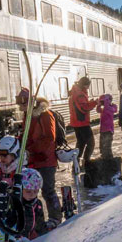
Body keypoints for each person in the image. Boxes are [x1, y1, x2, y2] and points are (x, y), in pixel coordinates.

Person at [17, 88, 62, 228]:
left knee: (48, 189)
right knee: (30, 192)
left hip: (46, 159)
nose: (21, 107)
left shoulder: (45, 115)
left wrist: (33, 149)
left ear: (31, 102)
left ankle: (56, 217)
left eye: (23, 103)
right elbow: (26, 135)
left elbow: (50, 138)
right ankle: (35, 220)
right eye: (19, 104)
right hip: (33, 159)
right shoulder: (28, 116)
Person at [68, 77, 98, 167]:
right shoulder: (80, 94)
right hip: (82, 123)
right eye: (88, 85)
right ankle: (86, 162)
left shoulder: (76, 92)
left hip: (77, 122)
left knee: (80, 143)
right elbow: (84, 108)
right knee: (91, 143)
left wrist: (90, 102)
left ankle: (76, 164)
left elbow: (81, 105)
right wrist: (94, 103)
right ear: (85, 85)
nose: (88, 87)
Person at [96, 94, 117, 159]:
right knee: (102, 145)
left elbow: (113, 109)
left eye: (103, 101)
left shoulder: (111, 108)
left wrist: (106, 102)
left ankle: (109, 159)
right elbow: (98, 110)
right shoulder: (104, 108)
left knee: (107, 146)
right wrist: (99, 104)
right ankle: (103, 156)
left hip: (108, 130)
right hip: (102, 130)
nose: (102, 103)